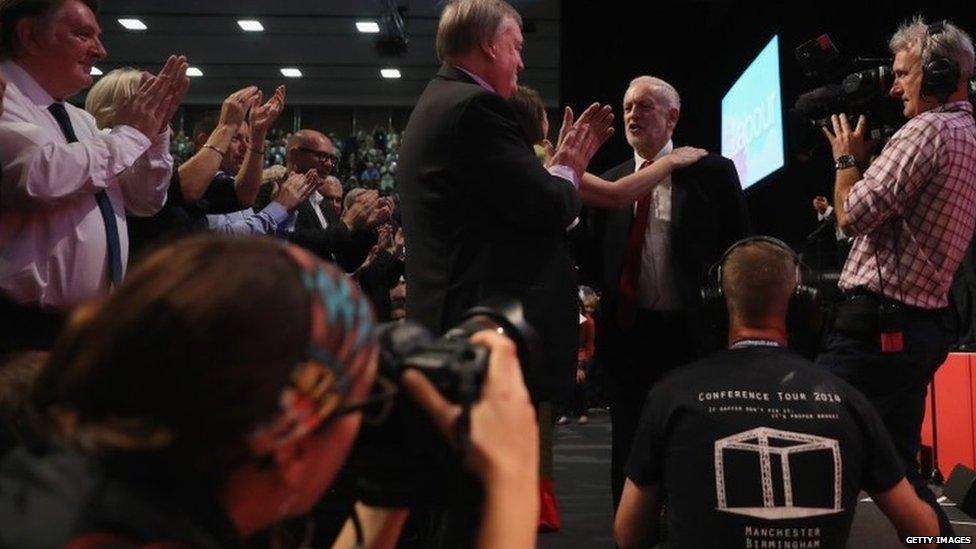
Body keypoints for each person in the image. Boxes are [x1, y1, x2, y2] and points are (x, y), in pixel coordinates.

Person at [0, 235, 540, 549]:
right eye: (361, 400)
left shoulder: (77, 483)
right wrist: (513, 476)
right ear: (286, 439)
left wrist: (388, 488)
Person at [614, 237, 939, 549]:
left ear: (716, 306)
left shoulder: (670, 395)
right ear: (802, 306)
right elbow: (924, 535)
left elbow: (628, 535)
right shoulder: (849, 401)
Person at [817, 16, 976, 538]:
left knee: (813, 441)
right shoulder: (966, 130)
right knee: (899, 472)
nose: (893, 86)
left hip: (878, 332)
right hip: (919, 325)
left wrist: (845, 159)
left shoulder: (928, 129)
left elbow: (852, 213)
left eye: (904, 73)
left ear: (937, 74)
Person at [581, 75, 750, 509]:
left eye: (644, 107)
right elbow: (592, 257)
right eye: (627, 108)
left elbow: (739, 250)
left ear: (672, 117)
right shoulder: (610, 182)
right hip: (628, 338)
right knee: (629, 446)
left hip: (691, 339)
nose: (632, 115)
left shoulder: (711, 172)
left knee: (693, 443)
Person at [0, 0, 187, 353]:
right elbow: (39, 178)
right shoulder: (4, 98)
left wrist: (154, 132)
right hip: (21, 330)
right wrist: (131, 135)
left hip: (84, 325)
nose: (100, 51)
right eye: (83, 34)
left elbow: (143, 201)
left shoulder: (79, 118)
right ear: (29, 36)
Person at [84, 69, 307, 241]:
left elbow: (241, 196)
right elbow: (185, 190)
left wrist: (257, 134)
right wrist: (226, 126)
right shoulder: (109, 161)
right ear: (119, 110)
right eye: (155, 103)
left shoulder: (163, 164)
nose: (166, 113)